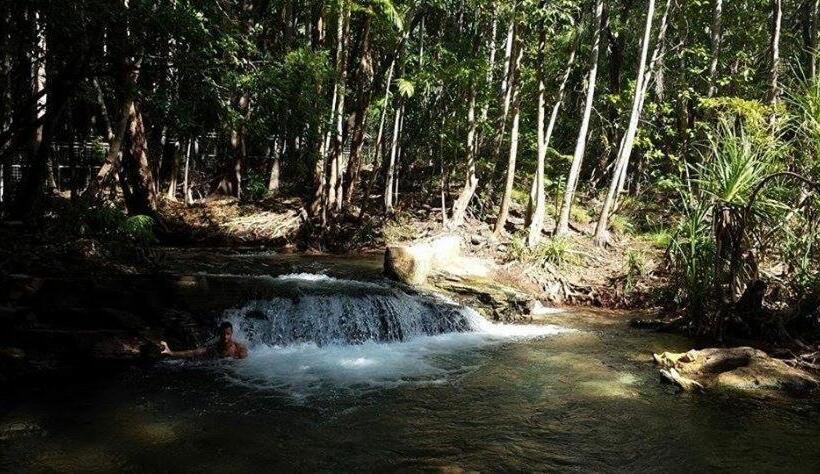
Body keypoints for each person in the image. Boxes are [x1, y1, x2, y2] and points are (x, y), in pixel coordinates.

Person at [160, 321, 248, 360]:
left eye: (228, 334)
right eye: (222, 334)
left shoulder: (238, 347)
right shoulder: (214, 348)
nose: (225, 337)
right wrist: (172, 353)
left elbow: (244, 361)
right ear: (219, 334)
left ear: (232, 333)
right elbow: (193, 352)